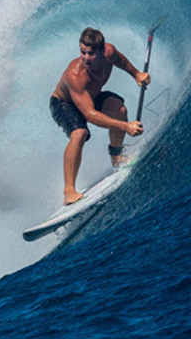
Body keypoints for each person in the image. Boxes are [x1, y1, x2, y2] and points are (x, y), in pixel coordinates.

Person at [49, 27, 151, 205]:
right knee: (79, 133)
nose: (86, 58)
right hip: (64, 104)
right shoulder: (76, 75)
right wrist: (126, 127)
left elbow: (119, 60)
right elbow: (90, 115)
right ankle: (69, 192)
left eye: (91, 53)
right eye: (83, 52)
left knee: (120, 110)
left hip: (90, 97)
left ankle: (116, 156)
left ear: (102, 51)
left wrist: (136, 74)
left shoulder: (109, 52)